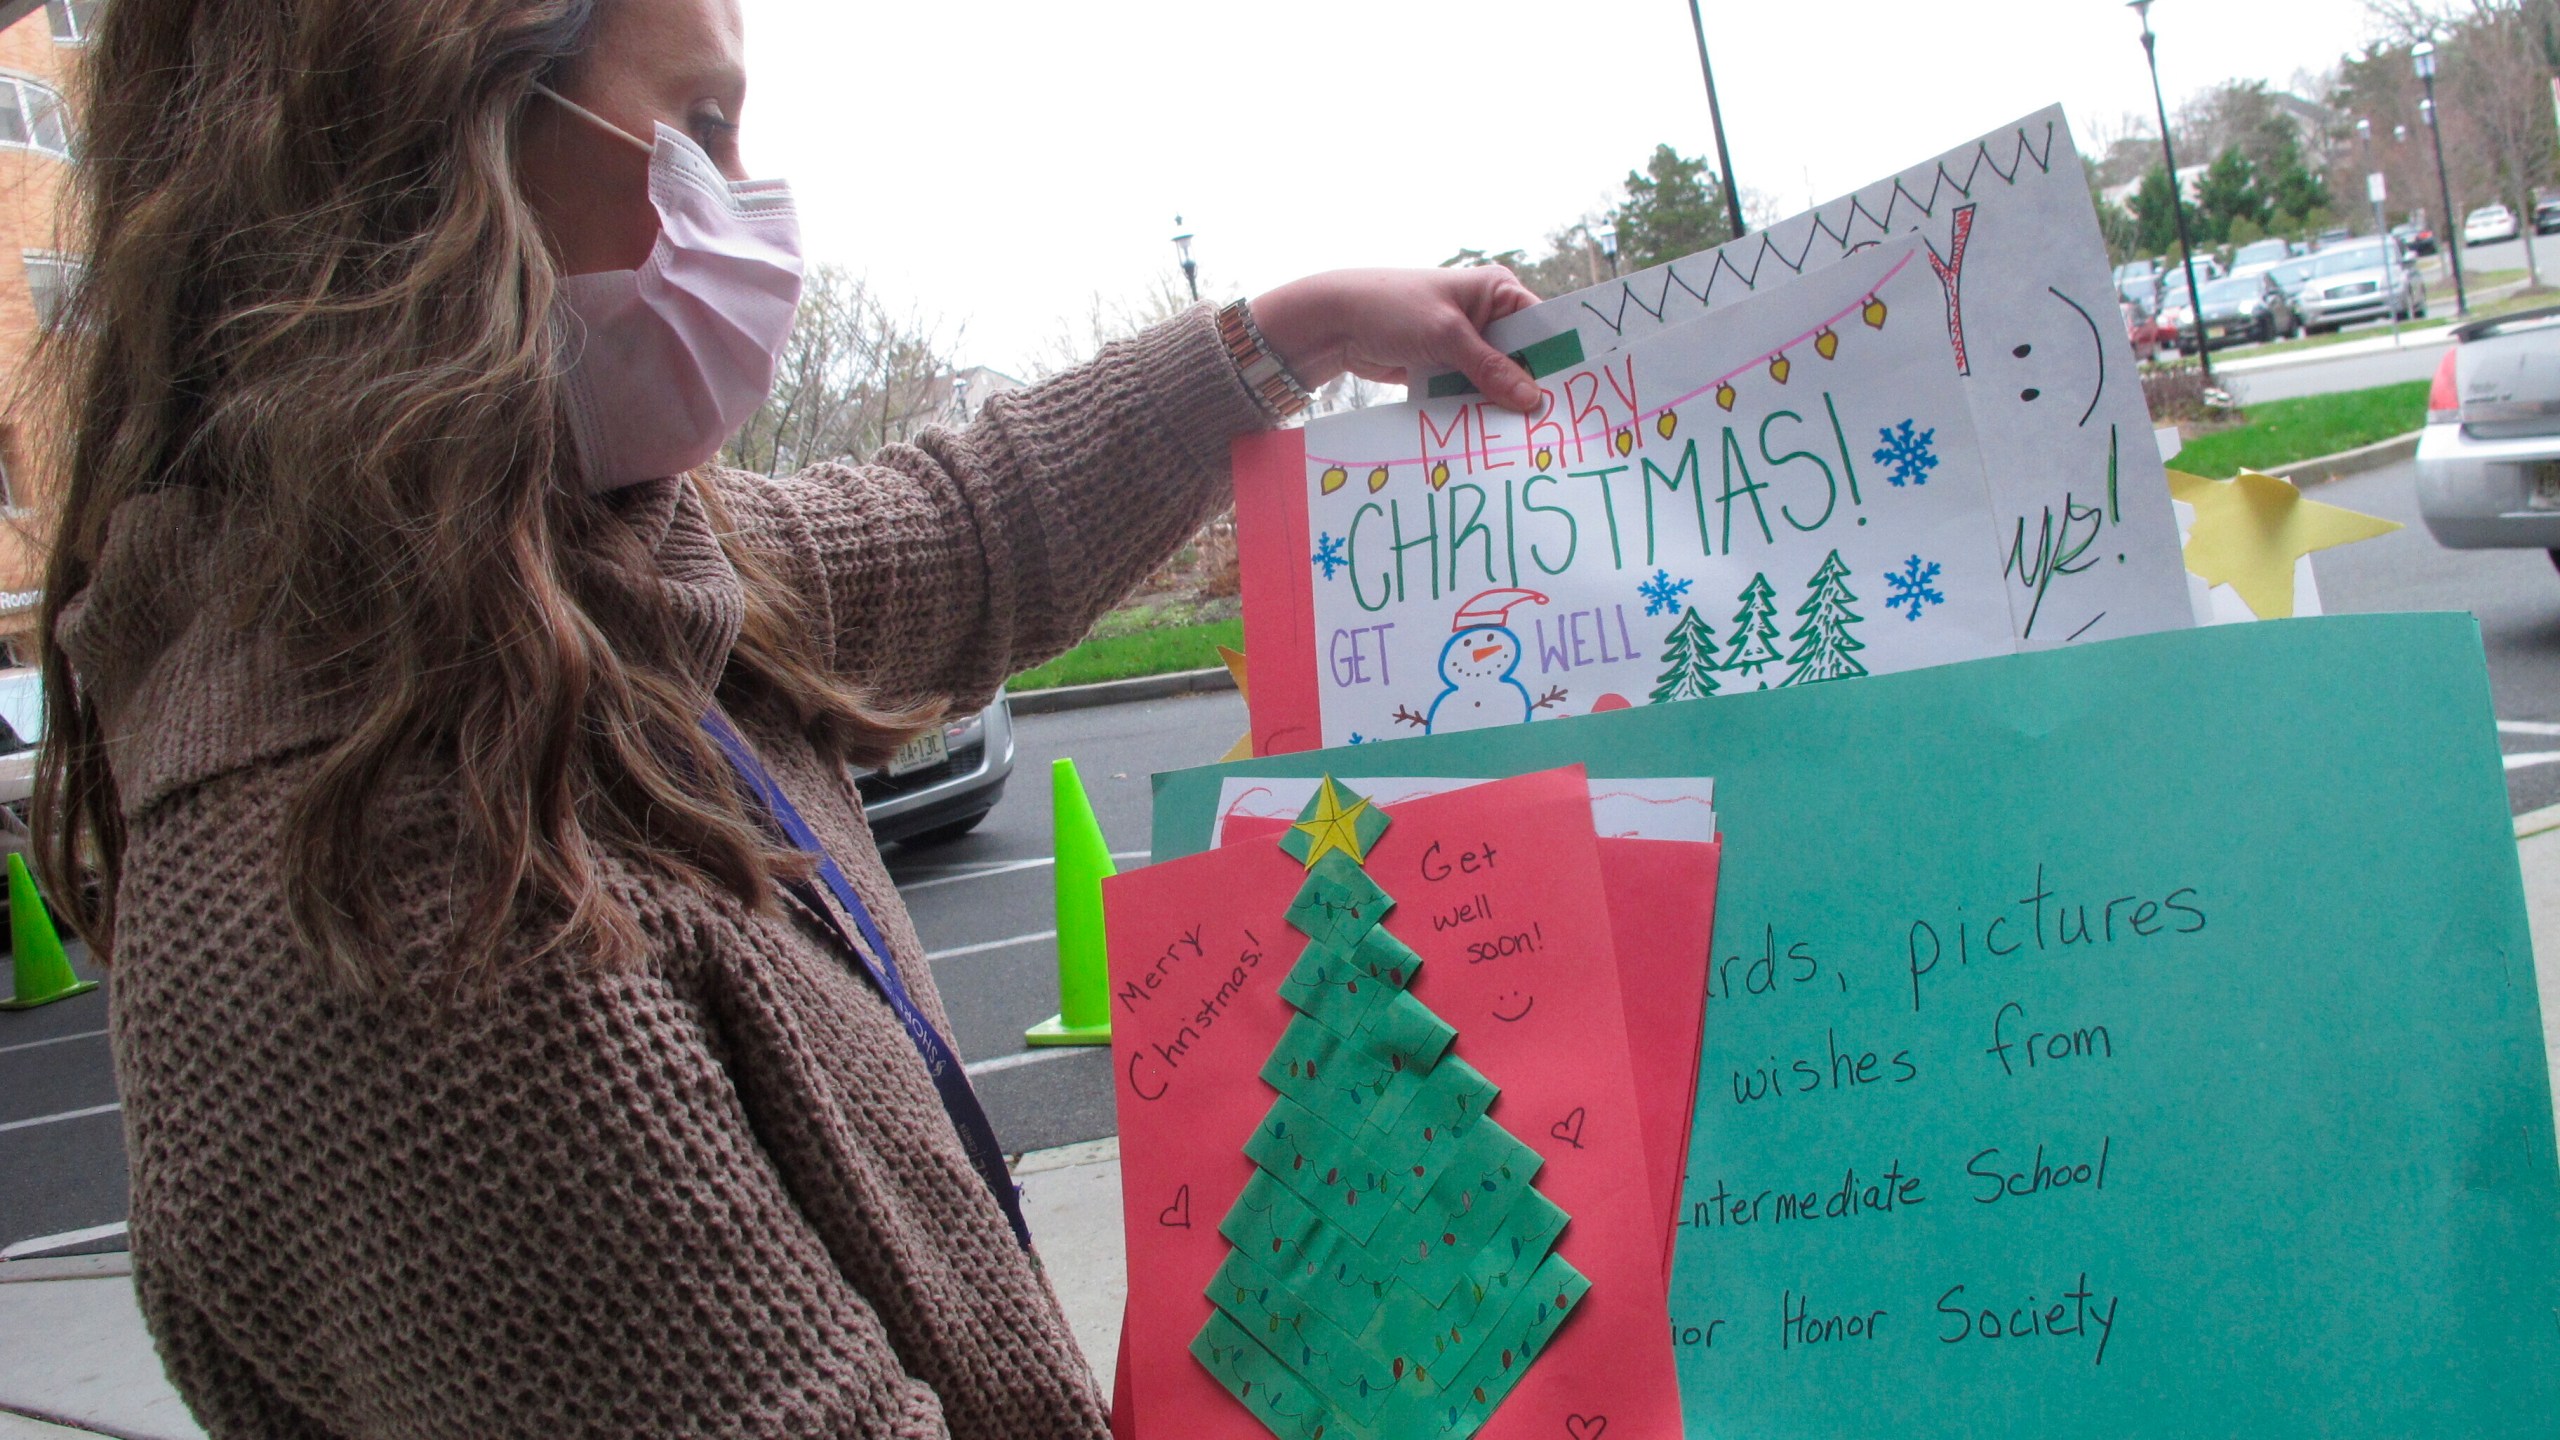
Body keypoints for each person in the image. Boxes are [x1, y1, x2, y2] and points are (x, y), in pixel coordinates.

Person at [31, 0, 1543, 1435]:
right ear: (430, 149)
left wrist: (1297, 334)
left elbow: (963, 528)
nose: (754, 212)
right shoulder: (426, 907)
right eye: (696, 126)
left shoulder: (558, 569)